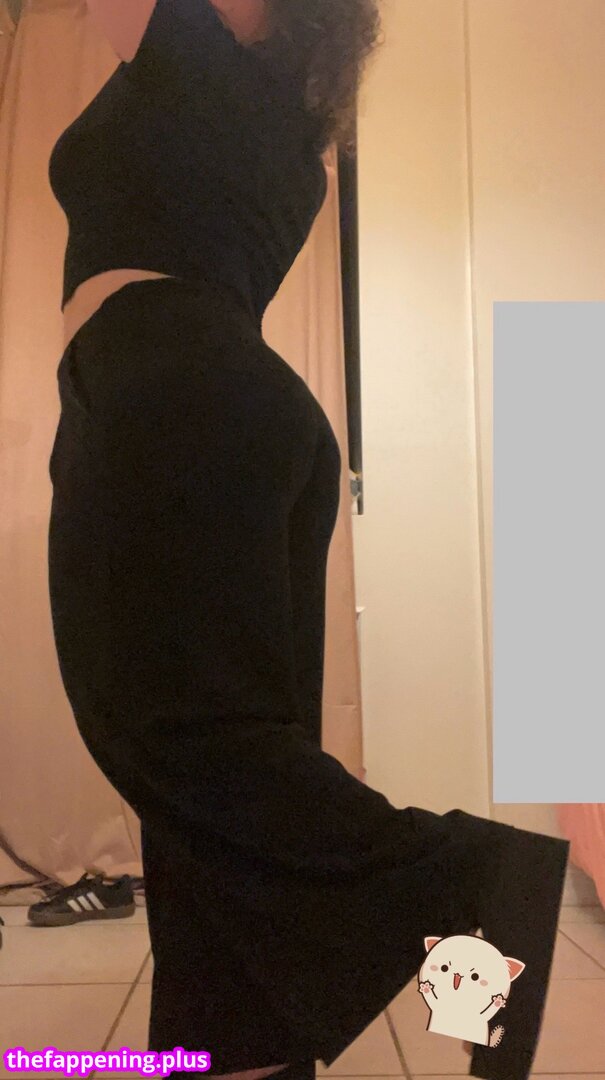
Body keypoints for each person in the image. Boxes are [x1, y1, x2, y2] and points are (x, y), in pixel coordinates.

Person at [46, 3, 569, 1080]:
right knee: (231, 746)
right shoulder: (286, 129)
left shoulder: (197, 58)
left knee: (174, 736)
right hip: (229, 403)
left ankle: (467, 881)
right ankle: (237, 1051)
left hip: (163, 391)